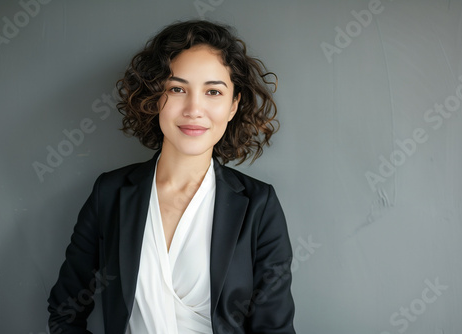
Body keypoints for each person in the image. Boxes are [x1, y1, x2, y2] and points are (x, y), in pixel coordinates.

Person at [47, 20, 295, 334]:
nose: (194, 109)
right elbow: (64, 313)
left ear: (234, 105)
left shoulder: (259, 205)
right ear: (154, 97)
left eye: (213, 92)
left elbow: (274, 329)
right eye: (177, 89)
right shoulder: (109, 193)